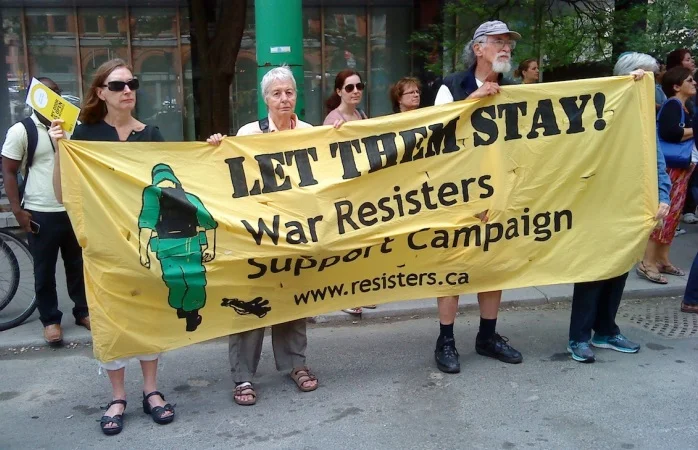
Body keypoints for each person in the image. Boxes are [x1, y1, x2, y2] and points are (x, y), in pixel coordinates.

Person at [50, 59, 175, 435]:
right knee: (110, 318)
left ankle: (151, 391)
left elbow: (173, 187)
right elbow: (63, 193)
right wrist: (60, 150)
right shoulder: (84, 136)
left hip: (143, 243)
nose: (127, 91)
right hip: (103, 243)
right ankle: (118, 396)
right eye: (118, 85)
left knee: (148, 315)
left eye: (132, 83)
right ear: (100, 92)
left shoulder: (150, 135)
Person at [207, 66, 319, 407]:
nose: (284, 99)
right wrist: (216, 148)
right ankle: (243, 375)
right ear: (265, 99)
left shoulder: (312, 133)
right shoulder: (247, 133)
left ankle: (295, 364)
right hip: (255, 233)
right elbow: (226, 176)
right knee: (249, 301)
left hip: (295, 231)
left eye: (289, 92)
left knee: (292, 298)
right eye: (276, 93)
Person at [567, 53, 671, 363]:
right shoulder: (599, 109)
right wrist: (622, 88)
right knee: (593, 269)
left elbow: (657, 160)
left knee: (619, 267)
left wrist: (663, 196)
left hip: (631, 206)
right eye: (644, 76)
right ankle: (579, 337)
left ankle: (605, 330)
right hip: (597, 206)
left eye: (652, 77)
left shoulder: (644, 116)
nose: (650, 84)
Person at [432, 20, 523, 374]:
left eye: (508, 42)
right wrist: (472, 100)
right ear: (478, 48)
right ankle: (446, 339)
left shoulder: (515, 90)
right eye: (498, 42)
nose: (506, 48)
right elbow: (435, 132)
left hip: (500, 193)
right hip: (455, 194)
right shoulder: (451, 86)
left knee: (493, 267)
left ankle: (487, 336)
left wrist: (631, 83)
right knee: (451, 266)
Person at [1, 77, 90, 345]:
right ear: (35, 97)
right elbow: (9, 171)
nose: (54, 98)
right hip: (40, 211)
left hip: (73, 209)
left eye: (57, 93)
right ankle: (50, 320)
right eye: (47, 93)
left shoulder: (74, 127)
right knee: (44, 269)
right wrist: (17, 210)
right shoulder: (22, 131)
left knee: (78, 266)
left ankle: (83, 312)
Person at [322, 69, 376, 315]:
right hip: (343, 192)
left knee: (361, 241)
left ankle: (361, 291)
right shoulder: (332, 120)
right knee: (345, 243)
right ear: (339, 91)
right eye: (349, 87)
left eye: (359, 86)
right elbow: (325, 155)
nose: (355, 91)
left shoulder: (361, 115)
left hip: (362, 189)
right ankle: (344, 295)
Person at [637, 66, 696, 284]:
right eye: (689, 80)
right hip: (671, 169)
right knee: (664, 214)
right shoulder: (673, 105)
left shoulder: (685, 106)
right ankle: (647, 262)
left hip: (681, 169)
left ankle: (662, 258)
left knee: (673, 215)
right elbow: (670, 133)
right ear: (677, 86)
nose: (694, 83)